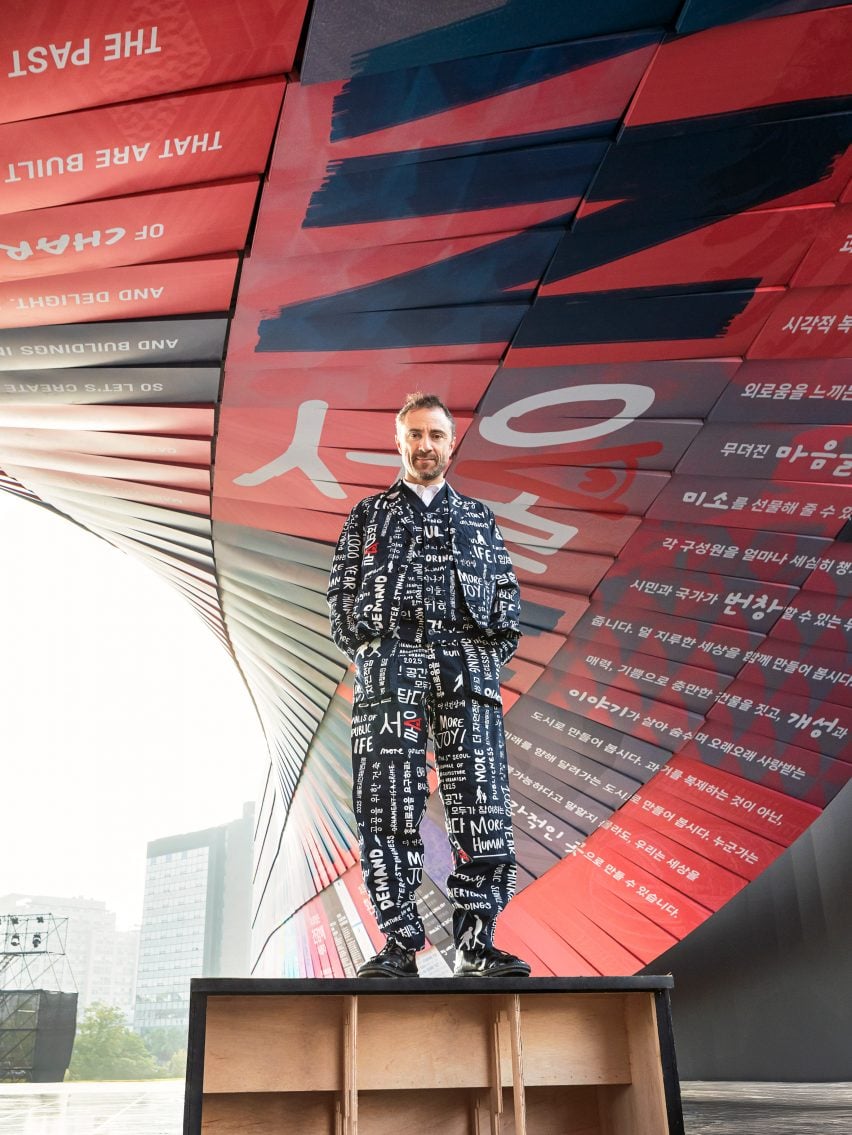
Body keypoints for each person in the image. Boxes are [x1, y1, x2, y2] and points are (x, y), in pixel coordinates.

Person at [327, 392, 531, 978]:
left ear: (451, 442)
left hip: (467, 665)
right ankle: (398, 943)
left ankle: (477, 942)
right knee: (386, 802)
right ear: (399, 442)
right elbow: (341, 595)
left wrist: (484, 656)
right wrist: (373, 649)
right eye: (415, 435)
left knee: (481, 803)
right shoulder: (368, 516)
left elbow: (506, 595)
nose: (425, 445)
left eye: (435, 435)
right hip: (390, 666)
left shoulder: (478, 518)